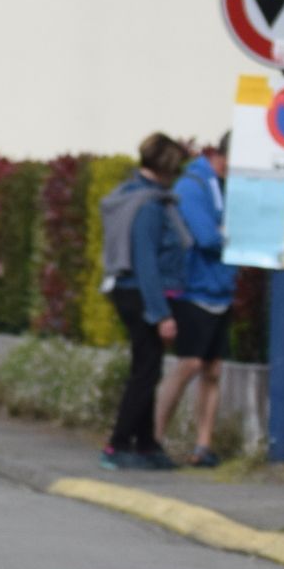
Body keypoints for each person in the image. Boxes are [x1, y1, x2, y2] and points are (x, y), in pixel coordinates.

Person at [96, 134, 192, 473]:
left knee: (147, 367)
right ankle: (118, 444)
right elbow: (146, 262)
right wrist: (161, 314)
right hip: (142, 293)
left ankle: (147, 444)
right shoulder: (150, 206)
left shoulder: (130, 193)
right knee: (146, 371)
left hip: (128, 290)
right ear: (168, 167)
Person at [159, 133, 233, 466]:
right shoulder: (192, 186)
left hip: (221, 288)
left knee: (213, 369)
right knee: (188, 364)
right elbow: (206, 237)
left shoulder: (227, 186)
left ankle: (203, 446)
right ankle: (154, 437)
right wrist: (237, 236)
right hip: (193, 289)